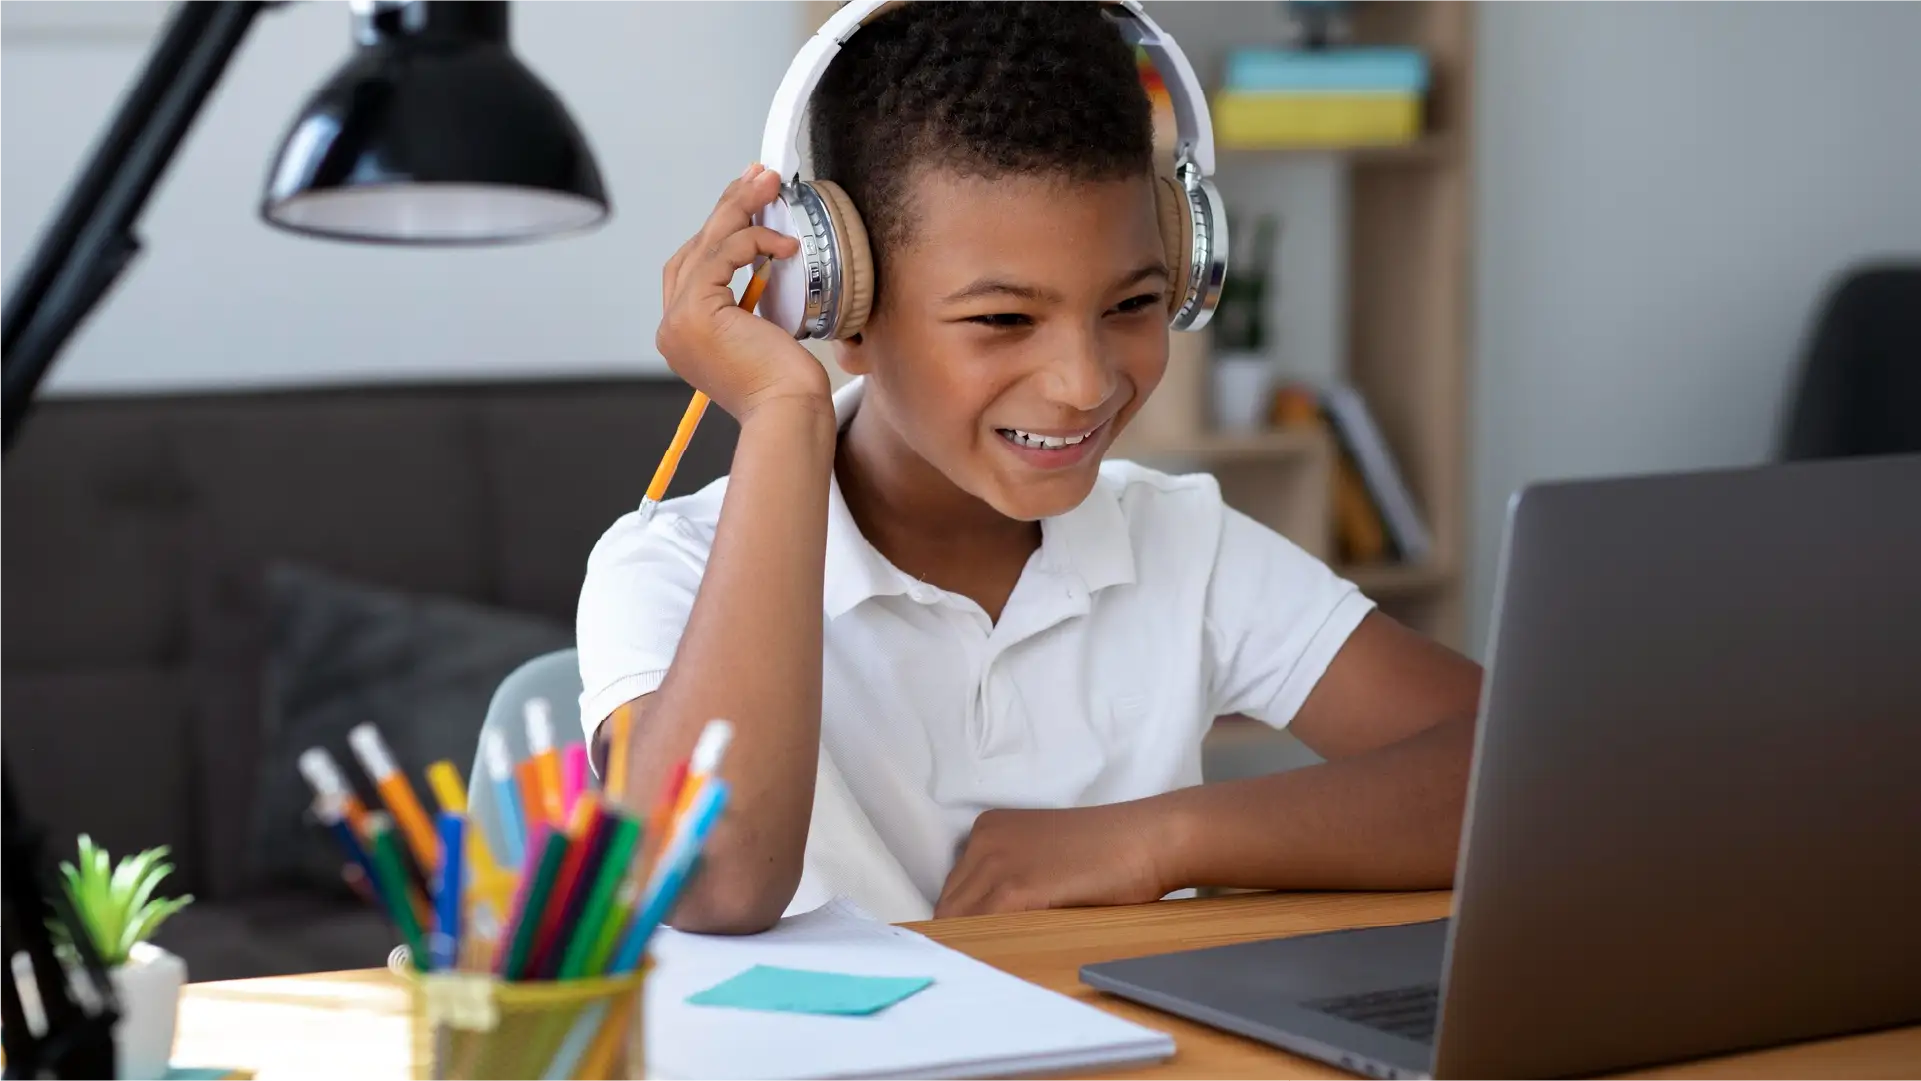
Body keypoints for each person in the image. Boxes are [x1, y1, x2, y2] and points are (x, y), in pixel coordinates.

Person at [577, 0, 1482, 935]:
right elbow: (716, 886)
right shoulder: (664, 569)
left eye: (1131, 301)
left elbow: (1529, 767)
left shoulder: (1181, 543)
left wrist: (1154, 838)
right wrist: (780, 411)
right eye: (1004, 320)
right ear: (836, 304)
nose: (1083, 382)